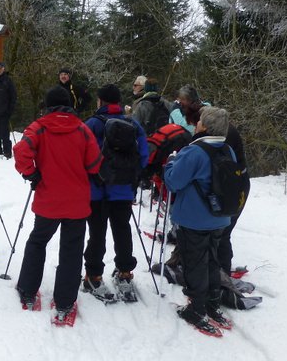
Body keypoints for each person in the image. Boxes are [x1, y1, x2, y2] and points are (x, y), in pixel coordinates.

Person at [13, 86, 102, 323]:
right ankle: (64, 301)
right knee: (72, 250)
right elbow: (94, 164)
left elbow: (21, 152)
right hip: (76, 201)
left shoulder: (39, 127)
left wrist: (32, 174)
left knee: (38, 241)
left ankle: (27, 290)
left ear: (47, 104)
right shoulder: (82, 129)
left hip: (48, 199)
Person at [163, 106, 234, 335]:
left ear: (206, 125)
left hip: (195, 218)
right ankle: (213, 303)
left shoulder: (194, 152)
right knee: (212, 260)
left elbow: (174, 182)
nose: (197, 124)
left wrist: (171, 162)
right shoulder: (228, 150)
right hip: (220, 217)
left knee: (195, 263)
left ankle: (196, 308)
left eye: (200, 121)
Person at [82, 84, 149, 302]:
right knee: (122, 230)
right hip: (123, 191)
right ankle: (125, 273)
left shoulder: (91, 124)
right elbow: (144, 156)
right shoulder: (133, 123)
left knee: (97, 233)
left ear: (100, 101)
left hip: (97, 190)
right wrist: (133, 177)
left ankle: (93, 275)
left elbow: (81, 155)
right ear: (119, 102)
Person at [217, 114, 250, 275]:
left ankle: (222, 273)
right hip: (237, 182)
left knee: (223, 231)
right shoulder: (224, 132)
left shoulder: (226, 135)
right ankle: (221, 269)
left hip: (236, 185)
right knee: (222, 231)